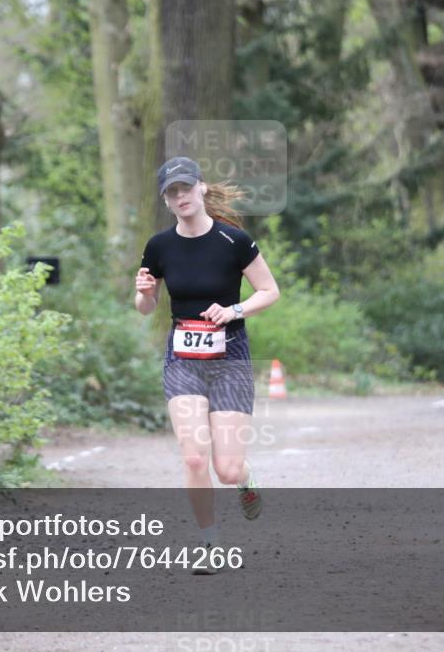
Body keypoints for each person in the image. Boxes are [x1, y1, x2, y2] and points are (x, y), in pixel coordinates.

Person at [134, 156, 280, 574]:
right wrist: (144, 292)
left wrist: (234, 310)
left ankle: (246, 481)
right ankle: (209, 543)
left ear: (201, 188)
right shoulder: (159, 246)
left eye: (185, 188)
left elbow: (269, 291)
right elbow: (146, 307)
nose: (180, 196)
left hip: (229, 357)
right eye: (171, 192)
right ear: (166, 199)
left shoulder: (235, 241)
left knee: (226, 467)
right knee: (195, 458)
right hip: (182, 357)